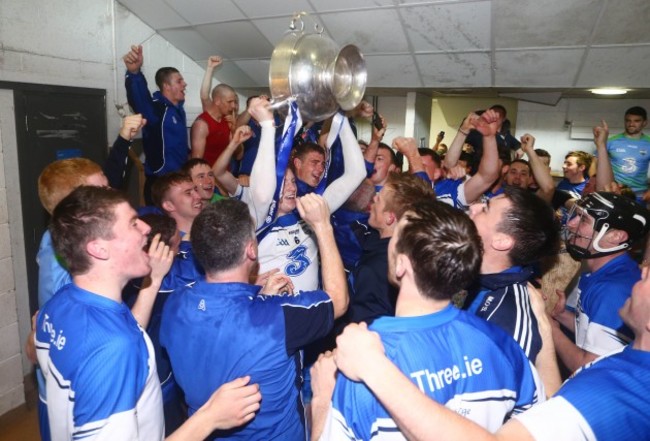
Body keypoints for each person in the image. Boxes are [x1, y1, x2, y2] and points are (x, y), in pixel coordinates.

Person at [325, 262, 650, 441]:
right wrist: (546, 326)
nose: (642, 270)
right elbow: (551, 402)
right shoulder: (628, 365)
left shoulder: (617, 392)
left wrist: (373, 368)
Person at [35, 186, 261, 441]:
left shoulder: (60, 304)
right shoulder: (113, 349)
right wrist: (210, 416)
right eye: (133, 224)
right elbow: (116, 345)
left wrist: (153, 281)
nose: (145, 228)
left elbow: (127, 329)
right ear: (99, 249)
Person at [313, 199, 544, 440]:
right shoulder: (501, 344)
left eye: (396, 236)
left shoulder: (362, 358)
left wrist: (322, 401)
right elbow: (536, 422)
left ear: (401, 264)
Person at [160, 195, 349, 440]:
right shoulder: (278, 316)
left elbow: (223, 329)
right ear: (251, 249)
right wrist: (323, 226)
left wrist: (258, 298)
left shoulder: (175, 302)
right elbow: (338, 300)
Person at [551, 191, 650, 372]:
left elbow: (590, 367)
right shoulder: (605, 273)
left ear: (616, 237)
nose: (571, 224)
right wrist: (561, 315)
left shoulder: (613, 289)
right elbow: (596, 336)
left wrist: (550, 328)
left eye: (583, 219)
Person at [464, 186, 560, 363]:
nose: (473, 207)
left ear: (502, 241)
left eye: (485, 208)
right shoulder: (469, 271)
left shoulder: (507, 318)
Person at [345, 172, 434, 325]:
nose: (373, 199)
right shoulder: (422, 252)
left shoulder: (376, 269)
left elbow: (368, 330)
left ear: (390, 218)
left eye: (378, 199)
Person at [123, 44, 189, 204]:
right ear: (166, 86)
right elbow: (140, 99)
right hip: (161, 182)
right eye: (179, 81)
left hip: (179, 179)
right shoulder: (157, 108)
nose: (184, 84)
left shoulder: (178, 109)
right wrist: (134, 73)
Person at [191, 56, 239, 166]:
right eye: (230, 101)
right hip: (209, 177)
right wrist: (210, 68)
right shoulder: (203, 123)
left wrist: (234, 130)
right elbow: (204, 95)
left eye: (234, 102)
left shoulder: (228, 120)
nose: (233, 106)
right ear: (217, 101)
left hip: (224, 176)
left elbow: (239, 155)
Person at [600, 106, 650, 200]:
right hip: (615, 192)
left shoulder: (648, 143)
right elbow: (595, 164)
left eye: (636, 121)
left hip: (639, 195)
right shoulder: (611, 141)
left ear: (644, 123)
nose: (631, 124)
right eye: (628, 120)